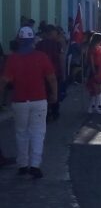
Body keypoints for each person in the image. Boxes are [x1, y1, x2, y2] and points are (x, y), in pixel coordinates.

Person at [0, 27, 57, 179]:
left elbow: (5, 80)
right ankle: (35, 165)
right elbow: (51, 77)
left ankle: (23, 165)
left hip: (19, 101)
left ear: (19, 40)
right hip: (39, 99)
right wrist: (55, 95)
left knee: (21, 133)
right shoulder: (41, 56)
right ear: (33, 40)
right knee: (38, 133)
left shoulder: (12, 58)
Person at [35, 25, 64, 120]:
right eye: (56, 33)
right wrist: (63, 71)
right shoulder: (57, 44)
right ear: (51, 33)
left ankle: (46, 113)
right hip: (55, 72)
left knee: (45, 93)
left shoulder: (39, 45)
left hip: (42, 74)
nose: (57, 35)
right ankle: (55, 112)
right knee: (55, 92)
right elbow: (61, 58)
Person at [87, 33, 101, 114]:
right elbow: (91, 60)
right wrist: (94, 70)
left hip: (100, 69)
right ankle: (91, 107)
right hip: (95, 68)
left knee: (99, 90)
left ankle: (96, 107)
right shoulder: (92, 48)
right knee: (94, 90)